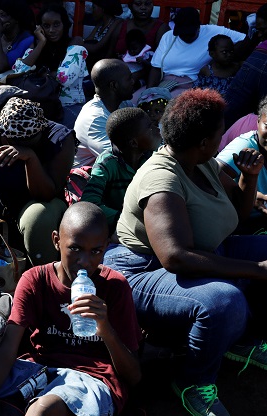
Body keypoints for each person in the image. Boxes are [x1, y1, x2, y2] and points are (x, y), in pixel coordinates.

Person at [103, 88, 267, 416]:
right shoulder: (161, 179)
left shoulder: (201, 161)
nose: (226, 136)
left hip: (201, 253)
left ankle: (241, 341)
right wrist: (256, 269)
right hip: (141, 271)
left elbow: (238, 209)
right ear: (204, 141)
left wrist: (249, 178)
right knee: (223, 300)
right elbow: (174, 257)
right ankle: (193, 381)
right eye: (220, 133)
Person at [0, 202, 142, 416]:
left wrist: (106, 330)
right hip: (39, 368)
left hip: (90, 379)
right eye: (75, 248)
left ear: (105, 247)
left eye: (96, 251)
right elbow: (10, 344)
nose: (84, 261)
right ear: (57, 241)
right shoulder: (36, 279)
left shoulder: (114, 286)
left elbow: (133, 376)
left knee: (42, 409)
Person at [0, 97, 76, 265]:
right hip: (0, 191)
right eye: (14, 143)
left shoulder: (59, 139)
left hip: (43, 201)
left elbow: (46, 194)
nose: (16, 148)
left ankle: (39, 271)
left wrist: (31, 159)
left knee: (37, 219)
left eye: (29, 143)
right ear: (4, 139)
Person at [81, 108, 158, 233]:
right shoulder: (107, 163)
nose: (156, 129)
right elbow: (89, 203)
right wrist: (125, 219)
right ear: (133, 143)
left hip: (147, 222)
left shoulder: (152, 157)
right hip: (117, 227)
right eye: (150, 127)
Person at [11, 3, 89, 129]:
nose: (51, 30)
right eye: (46, 26)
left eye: (56, 24)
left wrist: (42, 74)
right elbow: (17, 71)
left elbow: (64, 78)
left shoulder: (75, 45)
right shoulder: (38, 47)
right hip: (42, 107)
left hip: (68, 107)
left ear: (65, 25)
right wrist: (41, 43)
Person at [145, 7, 246, 97]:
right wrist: (149, 92)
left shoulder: (212, 31)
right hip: (165, 82)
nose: (185, 36)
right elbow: (156, 68)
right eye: (182, 33)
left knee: (167, 104)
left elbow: (245, 40)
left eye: (189, 34)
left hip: (189, 84)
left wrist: (226, 55)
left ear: (198, 27)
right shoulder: (168, 36)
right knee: (138, 100)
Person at [217, 96, 267, 232]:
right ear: (258, 122)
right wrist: (250, 196)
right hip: (245, 225)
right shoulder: (244, 146)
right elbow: (211, 180)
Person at [73, 59, 135, 168]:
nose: (133, 82)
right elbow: (120, 159)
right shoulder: (94, 119)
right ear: (114, 85)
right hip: (90, 181)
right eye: (129, 78)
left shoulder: (124, 104)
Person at [224, 4, 267, 129]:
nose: (259, 35)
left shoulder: (257, 58)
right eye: (258, 30)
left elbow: (233, 107)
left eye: (263, 30)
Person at [83, 0, 124, 69]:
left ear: (102, 9)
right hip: (93, 59)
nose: (92, 11)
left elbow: (96, 47)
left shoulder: (117, 22)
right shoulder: (100, 23)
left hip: (104, 62)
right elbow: (88, 39)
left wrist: (76, 44)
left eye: (94, 8)